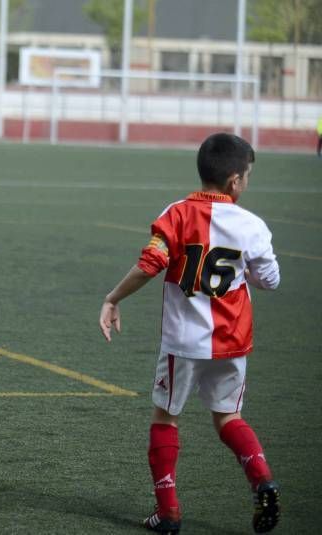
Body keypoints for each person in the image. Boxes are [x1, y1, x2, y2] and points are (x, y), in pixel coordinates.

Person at [98, 133, 281, 534]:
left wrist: (113, 298)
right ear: (234, 181)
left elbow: (151, 263)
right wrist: (245, 270)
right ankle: (262, 479)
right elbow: (270, 280)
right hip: (232, 341)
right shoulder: (252, 225)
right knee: (229, 416)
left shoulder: (177, 213)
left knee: (166, 416)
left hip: (184, 342)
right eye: (247, 175)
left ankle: (168, 512)